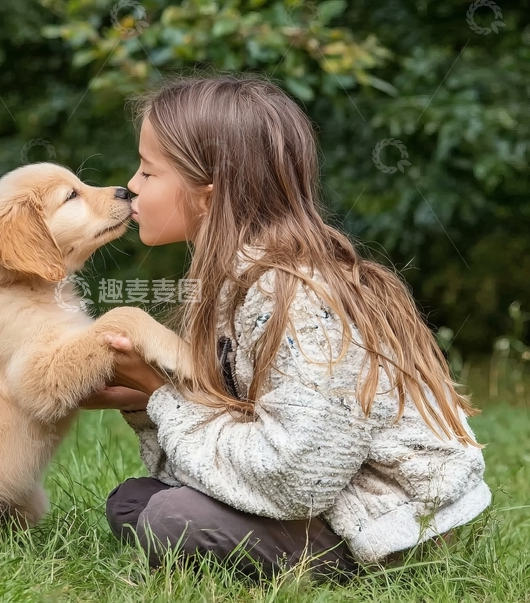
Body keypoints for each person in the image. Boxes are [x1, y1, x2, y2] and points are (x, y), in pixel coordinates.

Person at [79, 74, 490, 580]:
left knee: (170, 518)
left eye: (148, 171)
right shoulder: (233, 283)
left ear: (207, 197)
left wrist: (161, 395)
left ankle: (358, 569)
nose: (133, 185)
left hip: (383, 524)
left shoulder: (300, 300)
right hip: (314, 497)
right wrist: (148, 400)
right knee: (133, 503)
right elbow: (237, 430)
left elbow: (298, 479)